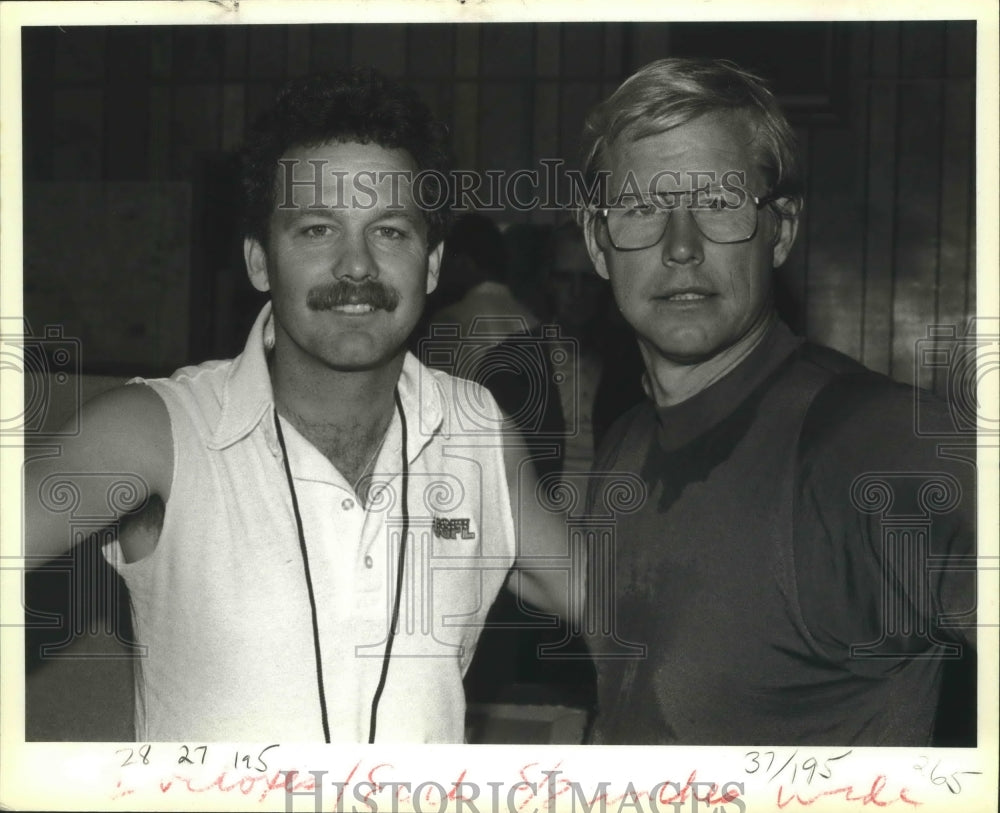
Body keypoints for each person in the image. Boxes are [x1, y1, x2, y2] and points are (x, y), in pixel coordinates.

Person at [24, 68, 573, 743]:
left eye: (391, 231)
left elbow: (628, 608)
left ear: (431, 265)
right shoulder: (155, 431)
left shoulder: (478, 430)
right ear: (260, 262)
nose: (357, 266)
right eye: (317, 229)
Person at [576, 58, 976, 745]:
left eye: (720, 205)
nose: (681, 247)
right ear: (597, 241)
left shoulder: (874, 445)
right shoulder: (627, 445)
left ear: (781, 230)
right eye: (642, 208)